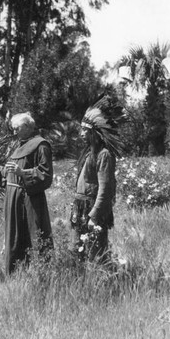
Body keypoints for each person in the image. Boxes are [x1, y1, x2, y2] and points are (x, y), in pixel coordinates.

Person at [0, 112, 53, 275]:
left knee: (34, 235)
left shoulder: (41, 145)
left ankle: (41, 276)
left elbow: (46, 176)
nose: (14, 132)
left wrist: (23, 173)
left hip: (30, 200)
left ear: (27, 127)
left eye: (17, 128)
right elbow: (7, 174)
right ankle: (15, 276)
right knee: (14, 238)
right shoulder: (17, 147)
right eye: (13, 129)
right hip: (13, 200)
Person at [70, 94, 125, 263]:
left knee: (95, 253)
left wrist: (94, 216)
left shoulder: (104, 155)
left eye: (85, 130)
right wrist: (75, 208)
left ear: (96, 133)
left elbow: (105, 189)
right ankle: (81, 283)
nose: (81, 134)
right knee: (77, 251)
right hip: (81, 206)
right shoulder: (88, 153)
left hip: (92, 208)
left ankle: (102, 283)